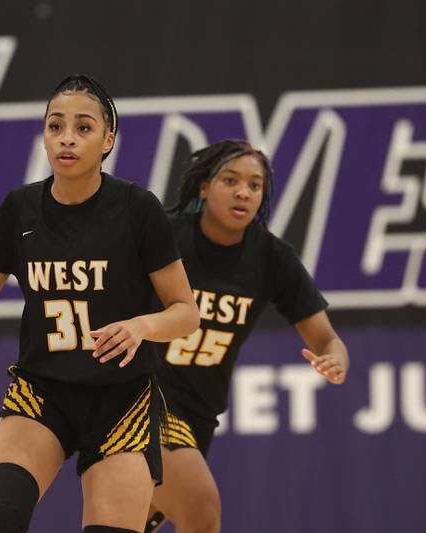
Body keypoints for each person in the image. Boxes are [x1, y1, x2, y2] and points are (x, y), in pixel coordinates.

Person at [0, 74, 199, 533]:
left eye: (83, 128)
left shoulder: (137, 208)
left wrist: (140, 327)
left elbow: (186, 312)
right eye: (55, 125)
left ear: (107, 140)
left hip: (122, 399)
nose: (67, 138)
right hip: (43, 392)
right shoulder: (21, 209)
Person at [144, 139, 350, 533]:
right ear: (204, 187)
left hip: (198, 416)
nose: (243, 192)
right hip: (140, 397)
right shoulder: (165, 235)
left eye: (255, 186)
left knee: (131, 521)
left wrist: (335, 359)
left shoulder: (271, 258)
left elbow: (327, 339)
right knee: (201, 509)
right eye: (231, 180)